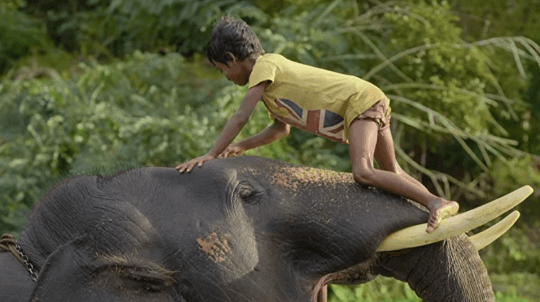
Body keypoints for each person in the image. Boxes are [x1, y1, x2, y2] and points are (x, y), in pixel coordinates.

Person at [177, 17, 458, 233]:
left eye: (222, 69)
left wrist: (211, 154)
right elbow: (280, 129)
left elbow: (241, 116)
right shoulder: (272, 97)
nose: (225, 76)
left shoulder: (265, 65)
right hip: (366, 100)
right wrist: (242, 145)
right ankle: (436, 203)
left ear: (232, 59)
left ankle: (434, 203)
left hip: (358, 101)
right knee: (392, 171)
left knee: (363, 172)